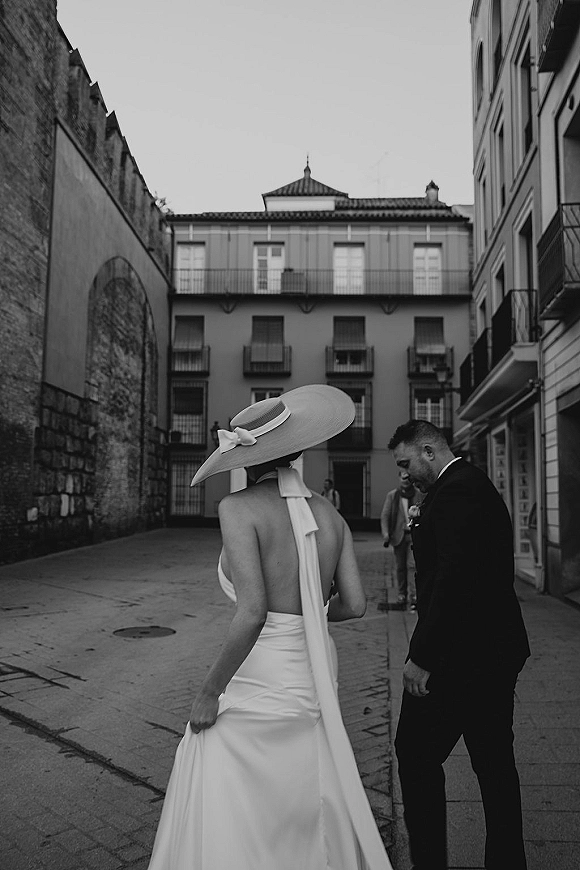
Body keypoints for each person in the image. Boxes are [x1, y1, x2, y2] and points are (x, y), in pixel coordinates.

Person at [148, 385, 392, 870]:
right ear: (296, 450)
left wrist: (210, 690)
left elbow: (252, 612)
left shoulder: (237, 509)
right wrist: (309, 613)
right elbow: (357, 605)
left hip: (262, 670)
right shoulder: (331, 515)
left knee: (220, 764)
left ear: (245, 459)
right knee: (307, 778)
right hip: (310, 668)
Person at [387, 419, 530, 870]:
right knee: (493, 765)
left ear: (429, 451)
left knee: (414, 755)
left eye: (406, 464)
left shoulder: (459, 492)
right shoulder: (461, 488)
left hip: (460, 659)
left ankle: (430, 861)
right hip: (488, 652)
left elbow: (453, 581)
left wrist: (421, 658)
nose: (403, 476)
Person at [380, 469, 423, 609]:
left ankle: (414, 595)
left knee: (412, 565)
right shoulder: (393, 495)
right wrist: (386, 534)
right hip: (398, 535)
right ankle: (401, 594)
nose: (405, 480)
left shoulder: (418, 494)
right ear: (399, 478)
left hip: (414, 535)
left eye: (407, 477)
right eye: (403, 478)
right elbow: (385, 515)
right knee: (400, 567)